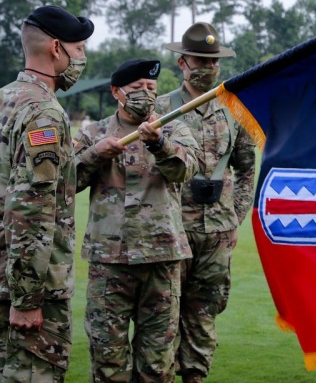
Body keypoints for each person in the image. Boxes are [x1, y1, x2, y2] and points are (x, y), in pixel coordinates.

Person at [74, 59, 200, 381]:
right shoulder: (94, 133)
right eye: (136, 89)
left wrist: (159, 143)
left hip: (162, 258)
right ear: (117, 92)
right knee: (108, 361)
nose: (145, 95)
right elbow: (65, 181)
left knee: (157, 364)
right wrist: (94, 155)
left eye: (151, 89)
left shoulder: (173, 128)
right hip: (109, 262)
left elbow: (187, 169)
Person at [155, 22, 256, 383]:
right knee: (163, 314)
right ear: (181, 62)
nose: (207, 67)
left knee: (204, 312)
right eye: (199, 60)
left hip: (217, 232)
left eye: (213, 61)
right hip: (170, 231)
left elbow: (246, 167)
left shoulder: (234, 109)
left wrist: (236, 215)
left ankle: (195, 377)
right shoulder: (161, 108)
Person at [0, 4, 93, 381]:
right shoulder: (45, 113)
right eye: (80, 49)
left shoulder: (6, 98)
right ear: (57, 48)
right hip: (27, 288)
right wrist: (27, 300)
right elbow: (32, 210)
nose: (82, 58)